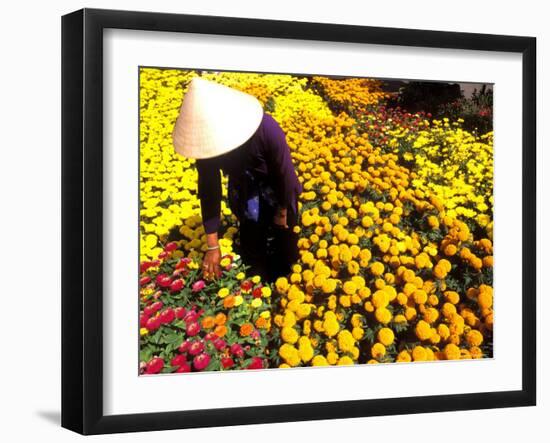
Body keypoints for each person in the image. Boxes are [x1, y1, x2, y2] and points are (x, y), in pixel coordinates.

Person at [172, 77, 302, 282]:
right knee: (252, 246)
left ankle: (287, 279)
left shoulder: (267, 129)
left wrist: (282, 211)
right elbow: (209, 191)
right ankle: (259, 289)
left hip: (277, 190)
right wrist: (213, 245)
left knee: (287, 245)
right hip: (245, 191)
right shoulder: (207, 146)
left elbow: (285, 176)